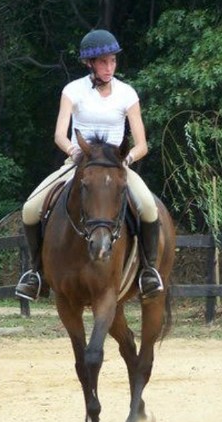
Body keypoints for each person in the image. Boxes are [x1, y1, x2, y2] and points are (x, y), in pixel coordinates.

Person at [15, 29, 164, 301]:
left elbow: (142, 144)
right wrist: (73, 151)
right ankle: (36, 272)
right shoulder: (73, 91)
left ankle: (148, 271)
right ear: (90, 64)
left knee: (149, 208)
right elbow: (60, 133)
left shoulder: (127, 94)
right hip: (79, 164)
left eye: (113, 61)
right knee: (30, 209)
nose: (110, 67)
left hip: (116, 168)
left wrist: (125, 160)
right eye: (104, 62)